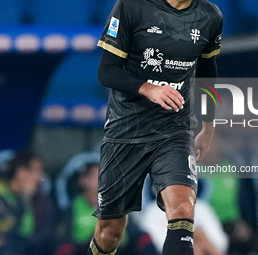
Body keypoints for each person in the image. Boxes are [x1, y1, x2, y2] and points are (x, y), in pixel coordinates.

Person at [88, 0, 223, 254]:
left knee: (183, 209)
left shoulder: (210, 16)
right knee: (110, 232)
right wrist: (148, 88)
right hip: (125, 132)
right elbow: (106, 71)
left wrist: (209, 126)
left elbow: (208, 73)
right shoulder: (131, 7)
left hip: (174, 130)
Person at [0, 150, 55, 255]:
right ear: (21, 172)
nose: (40, 178)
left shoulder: (37, 199)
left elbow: (36, 234)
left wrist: (25, 199)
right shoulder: (2, 193)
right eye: (36, 171)